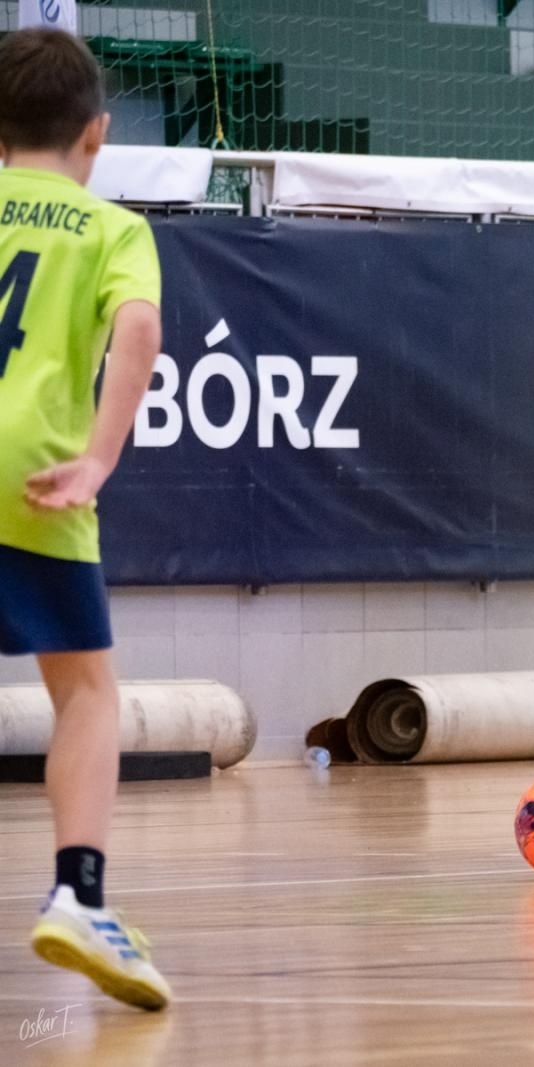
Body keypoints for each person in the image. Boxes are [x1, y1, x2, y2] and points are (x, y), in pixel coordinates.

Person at [1, 27, 169, 1009]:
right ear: (96, 133)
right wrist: (100, 455)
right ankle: (79, 891)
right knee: (86, 692)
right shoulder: (110, 228)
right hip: (32, 472)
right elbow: (138, 327)